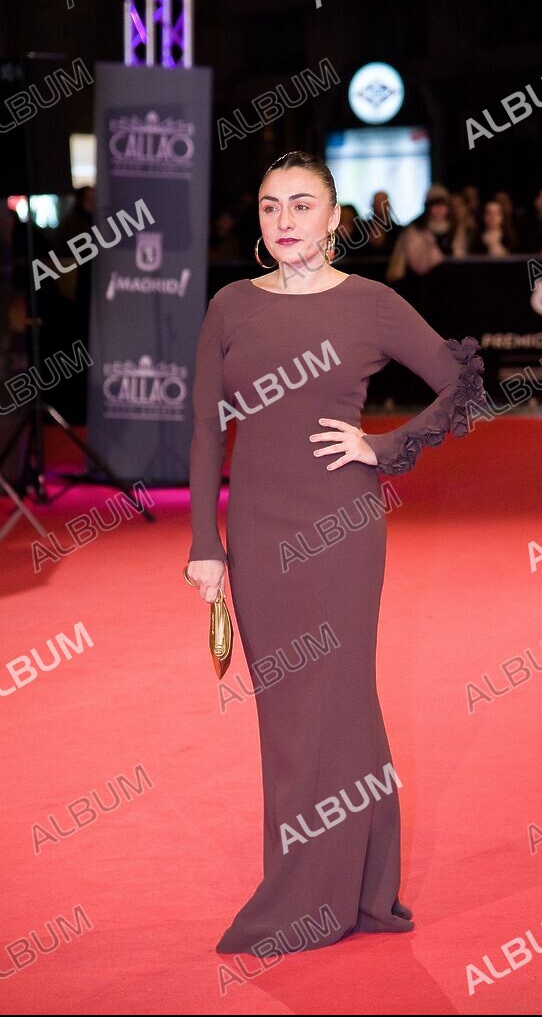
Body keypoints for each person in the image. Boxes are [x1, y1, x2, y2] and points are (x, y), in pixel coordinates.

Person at [185, 150, 486, 956]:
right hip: (256, 530)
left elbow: (463, 380)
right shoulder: (228, 306)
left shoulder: (371, 304)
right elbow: (206, 427)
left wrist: (384, 448)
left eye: (300, 206)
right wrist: (203, 545)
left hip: (342, 528)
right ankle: (349, 884)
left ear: (332, 219)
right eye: (269, 206)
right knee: (287, 716)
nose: (284, 222)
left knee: (343, 696)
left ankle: (334, 894)